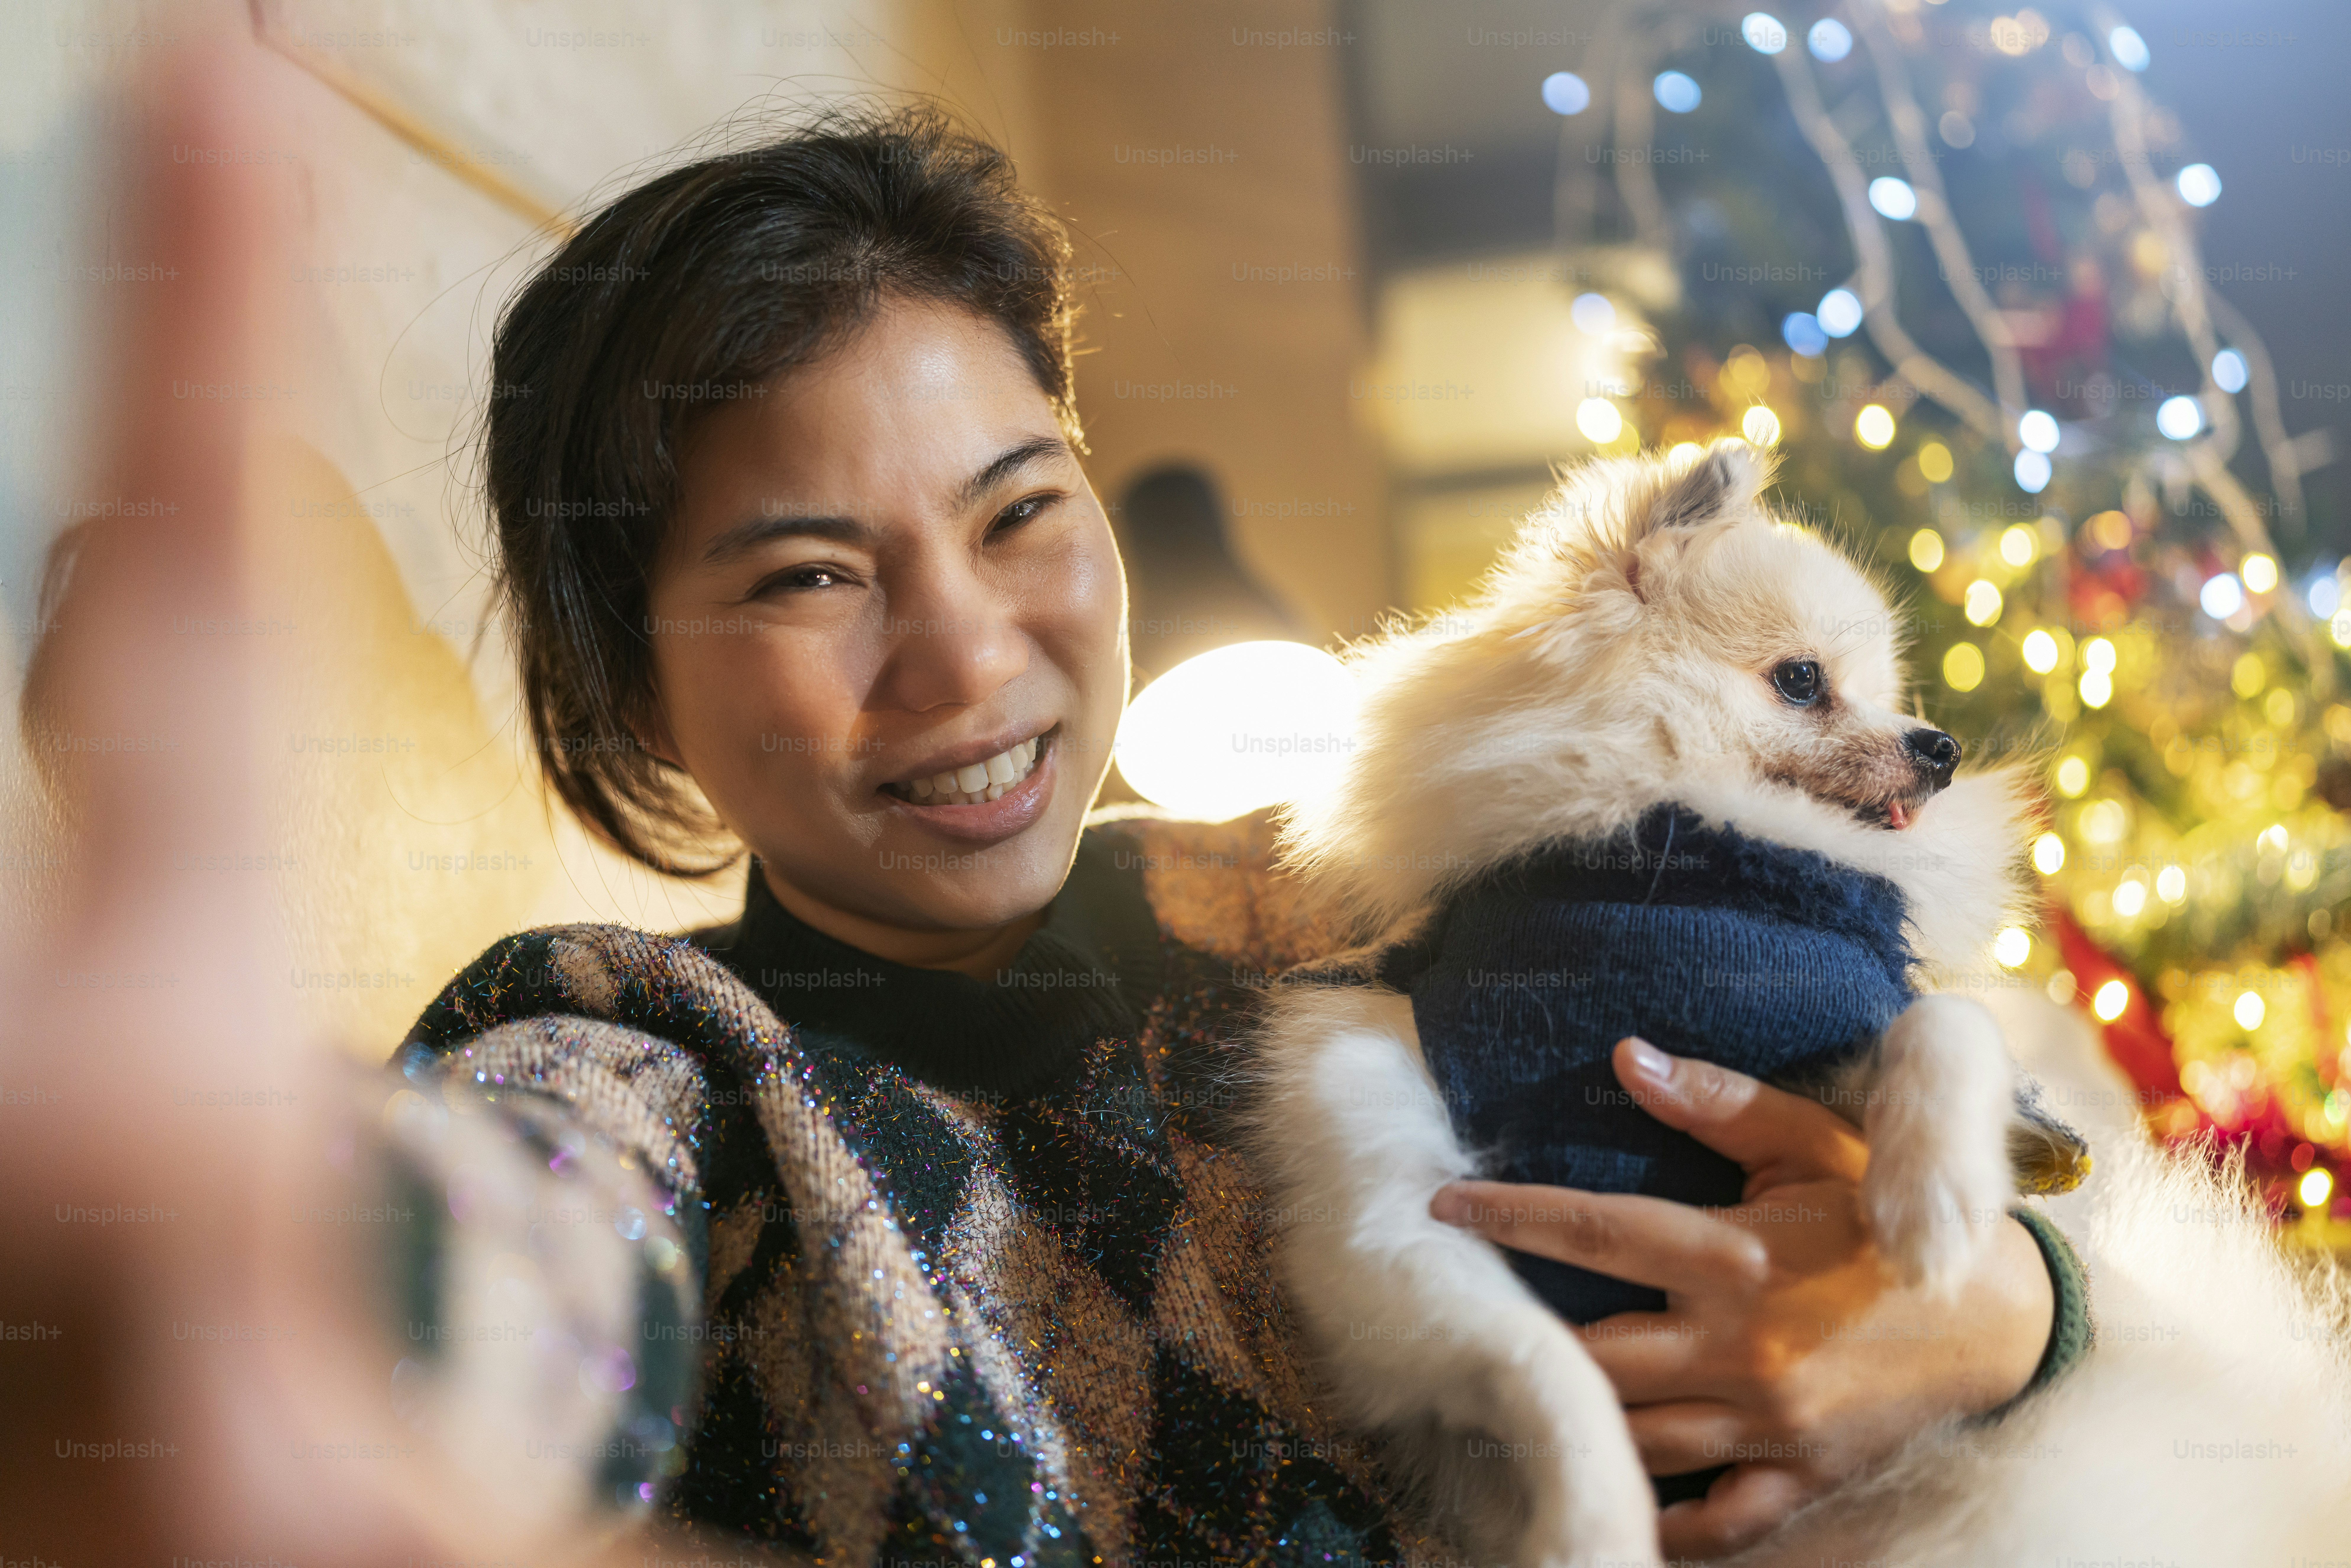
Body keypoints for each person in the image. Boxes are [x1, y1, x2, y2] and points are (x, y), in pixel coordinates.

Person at [373, 105, 2089, 1566]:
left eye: (1021, 509)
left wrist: (1999, 1307)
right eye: (812, 574)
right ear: (629, 686)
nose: (971, 657)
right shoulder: (648, 1054)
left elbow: (1915, 1104)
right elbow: (485, 1268)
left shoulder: (1357, 888)